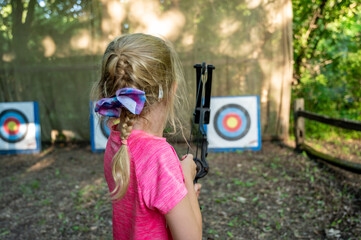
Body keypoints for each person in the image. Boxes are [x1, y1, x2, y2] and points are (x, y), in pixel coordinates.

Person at [92, 33, 202, 240]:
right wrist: (186, 176)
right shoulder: (158, 156)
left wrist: (183, 198)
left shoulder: (117, 140)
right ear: (171, 89)